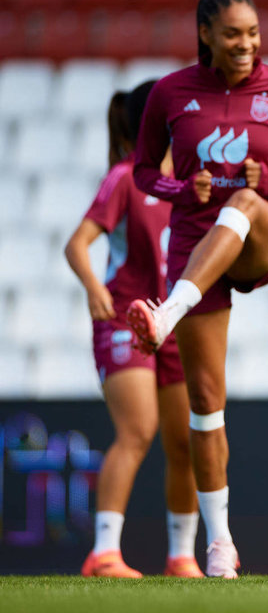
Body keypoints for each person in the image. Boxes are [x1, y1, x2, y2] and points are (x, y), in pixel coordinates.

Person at [126, 0, 268, 578]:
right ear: (206, 35)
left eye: (253, 33)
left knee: (242, 197)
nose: (247, 45)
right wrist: (183, 190)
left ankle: (166, 313)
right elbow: (144, 172)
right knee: (205, 407)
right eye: (234, 34)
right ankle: (219, 546)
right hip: (195, 247)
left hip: (259, 239)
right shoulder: (170, 93)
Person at [65, 81, 202, 578]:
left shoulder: (190, 184)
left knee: (185, 440)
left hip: (172, 322)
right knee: (137, 430)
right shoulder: (126, 178)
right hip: (124, 319)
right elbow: (77, 244)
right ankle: (103, 554)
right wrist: (91, 287)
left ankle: (182, 556)